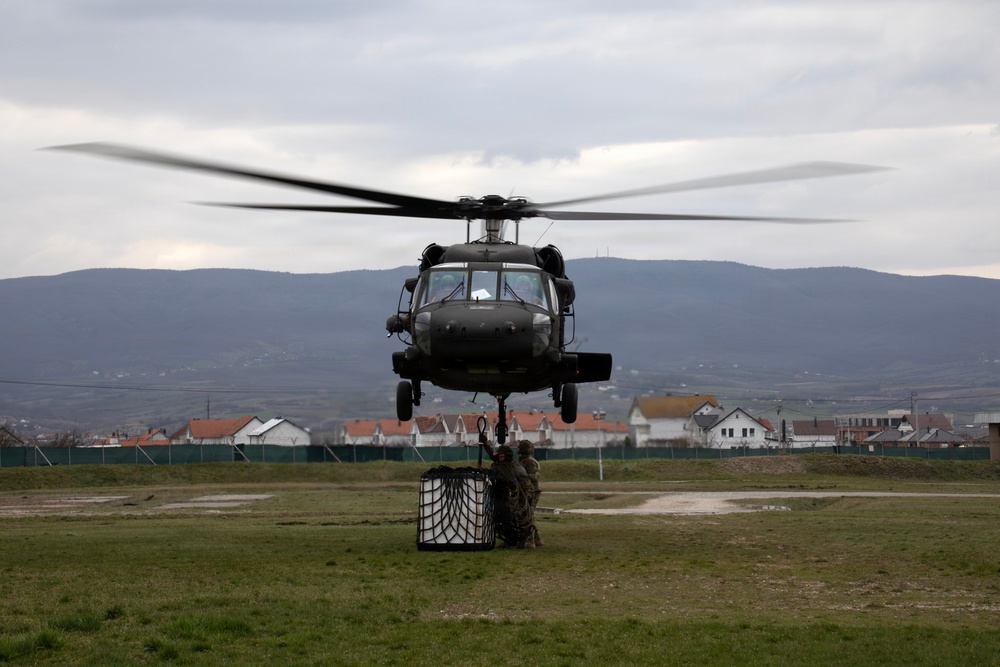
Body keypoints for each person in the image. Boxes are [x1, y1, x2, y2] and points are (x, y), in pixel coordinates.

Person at [483, 443, 535, 549]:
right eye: (499, 456)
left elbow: (523, 486)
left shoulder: (513, 467)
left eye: (501, 456)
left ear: (504, 456)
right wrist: (485, 444)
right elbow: (493, 457)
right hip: (514, 494)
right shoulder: (505, 465)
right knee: (509, 517)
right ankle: (511, 540)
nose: (499, 458)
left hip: (523, 494)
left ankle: (529, 541)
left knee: (523, 517)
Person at [517, 440, 543, 548]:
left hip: (532, 492)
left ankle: (530, 540)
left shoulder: (529, 462)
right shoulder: (526, 461)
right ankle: (537, 539)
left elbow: (535, 477)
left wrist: (523, 476)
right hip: (528, 491)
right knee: (529, 515)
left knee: (528, 516)